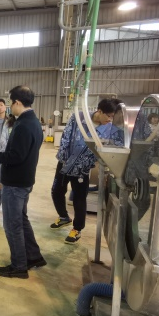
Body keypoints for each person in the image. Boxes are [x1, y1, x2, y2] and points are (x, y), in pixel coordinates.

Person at [0, 85, 45, 279]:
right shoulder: (33, 122)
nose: (8, 107)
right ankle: (33, 256)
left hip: (15, 182)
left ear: (18, 103)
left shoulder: (23, 125)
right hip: (25, 179)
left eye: (10, 103)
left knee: (13, 225)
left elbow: (14, 156)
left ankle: (19, 266)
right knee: (21, 219)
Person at [50, 98, 124, 244]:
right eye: (108, 116)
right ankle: (64, 217)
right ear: (99, 111)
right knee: (56, 191)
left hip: (82, 167)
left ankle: (77, 229)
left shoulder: (111, 129)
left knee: (79, 198)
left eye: (112, 117)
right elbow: (66, 137)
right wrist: (64, 158)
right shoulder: (79, 117)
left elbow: (115, 147)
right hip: (65, 162)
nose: (110, 120)